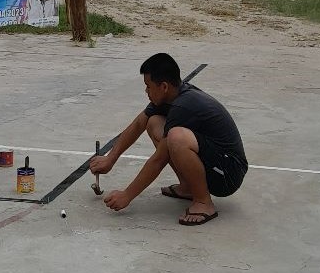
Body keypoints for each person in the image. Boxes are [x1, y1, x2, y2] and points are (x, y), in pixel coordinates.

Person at [90, 52, 247, 227]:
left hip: (228, 174)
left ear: (163, 86)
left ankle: (203, 202)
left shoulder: (183, 106)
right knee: (154, 123)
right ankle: (189, 187)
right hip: (214, 160)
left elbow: (159, 160)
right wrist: (110, 159)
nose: (146, 91)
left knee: (176, 137)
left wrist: (127, 195)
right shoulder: (171, 95)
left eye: (148, 86)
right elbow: (138, 124)